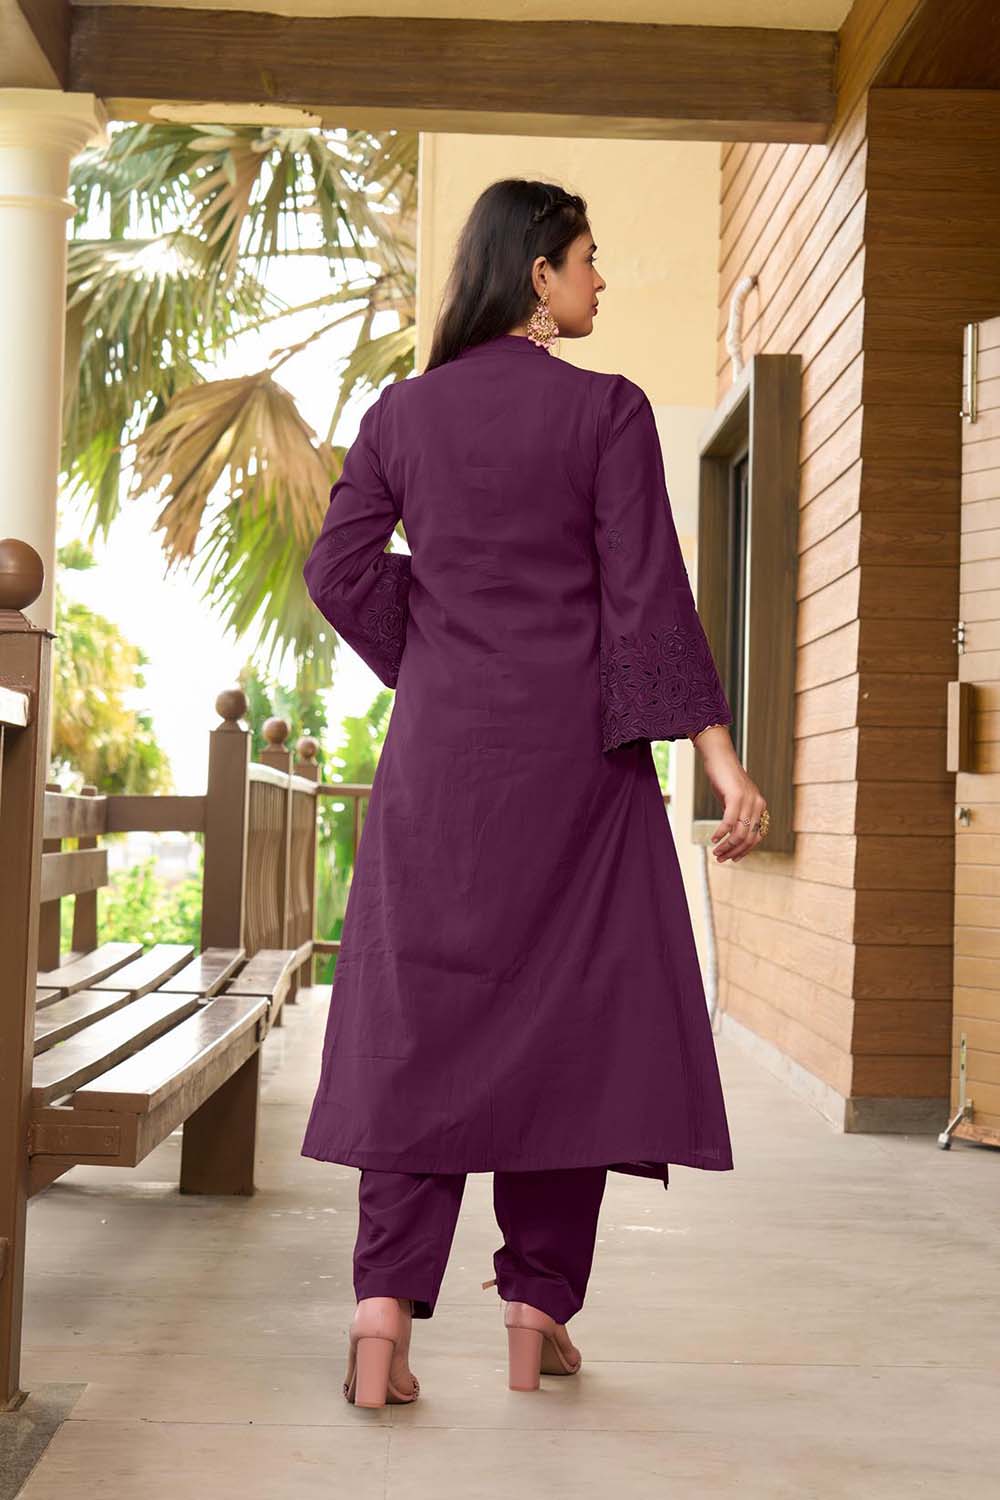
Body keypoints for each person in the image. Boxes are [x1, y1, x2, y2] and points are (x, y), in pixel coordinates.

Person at [300, 178, 768, 1408]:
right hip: (578, 769)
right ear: (538, 275)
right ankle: (535, 1309)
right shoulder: (606, 412)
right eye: (587, 259)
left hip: (441, 768)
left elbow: (336, 568)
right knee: (571, 1035)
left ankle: (381, 1318)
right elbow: (647, 595)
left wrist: (439, 654)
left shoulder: (401, 413)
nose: (600, 280)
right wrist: (718, 759)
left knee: (422, 1029)